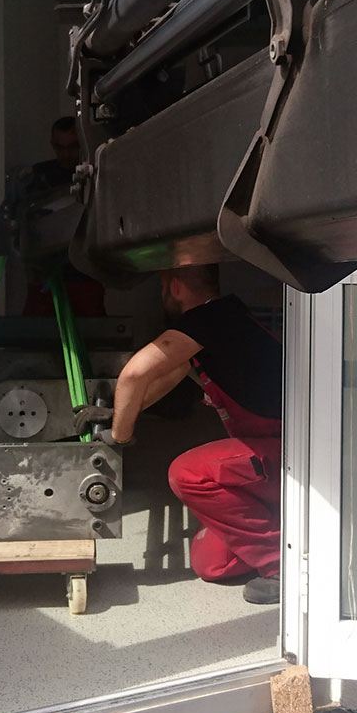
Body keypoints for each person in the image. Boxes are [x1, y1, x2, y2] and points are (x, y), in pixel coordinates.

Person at [110, 265, 283, 606]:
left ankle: (281, 565)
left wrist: (118, 437)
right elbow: (162, 379)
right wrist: (117, 414)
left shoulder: (208, 319)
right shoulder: (223, 319)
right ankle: (291, 529)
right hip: (270, 456)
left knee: (187, 473)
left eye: (162, 286)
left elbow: (133, 375)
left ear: (175, 286)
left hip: (288, 452)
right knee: (212, 564)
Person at [21, 116, 106, 319]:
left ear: (82, 143)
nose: (66, 154)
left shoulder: (95, 175)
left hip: (84, 272)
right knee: (37, 329)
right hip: (45, 273)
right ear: (52, 144)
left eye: (72, 147)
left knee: (92, 329)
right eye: (60, 148)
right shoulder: (39, 176)